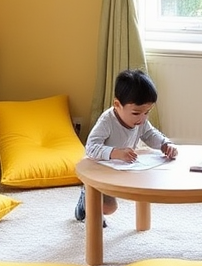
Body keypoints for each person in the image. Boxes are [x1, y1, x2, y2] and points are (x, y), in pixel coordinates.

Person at [75, 67, 177, 222]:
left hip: (120, 168)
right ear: (117, 105)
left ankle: (92, 202)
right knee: (108, 208)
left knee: (143, 183)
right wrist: (116, 152)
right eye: (136, 113)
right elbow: (91, 147)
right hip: (99, 170)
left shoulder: (140, 120)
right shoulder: (107, 121)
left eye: (147, 112)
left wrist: (165, 144)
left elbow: (150, 134)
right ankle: (85, 197)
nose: (142, 118)